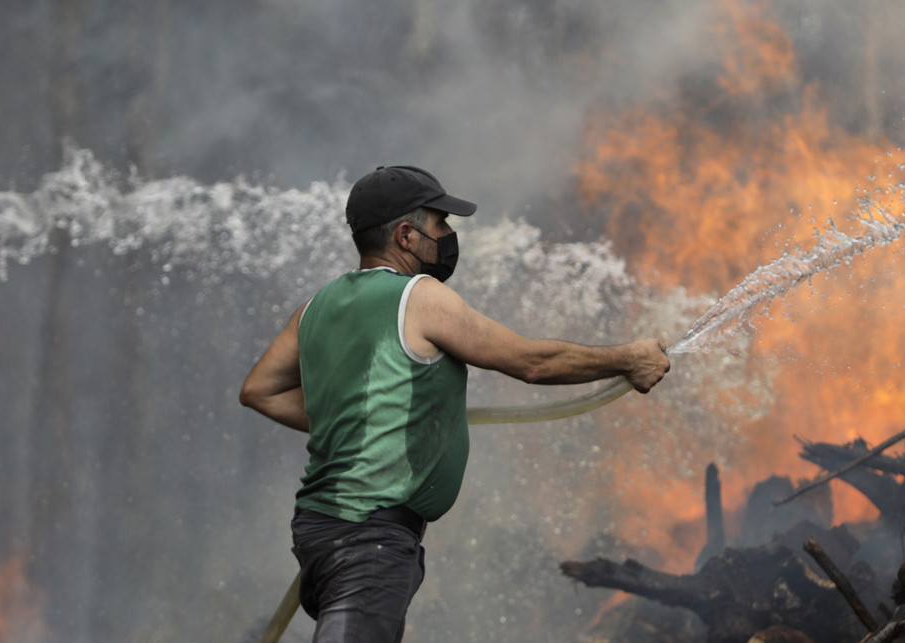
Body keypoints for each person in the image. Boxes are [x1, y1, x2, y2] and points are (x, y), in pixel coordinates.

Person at [239, 164, 671, 642]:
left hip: (321, 532)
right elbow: (532, 363)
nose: (447, 234)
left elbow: (259, 390)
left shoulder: (315, 307)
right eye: (439, 223)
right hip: (368, 539)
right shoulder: (420, 297)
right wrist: (627, 359)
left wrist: (350, 419)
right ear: (406, 235)